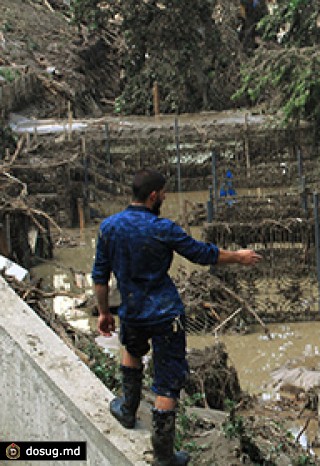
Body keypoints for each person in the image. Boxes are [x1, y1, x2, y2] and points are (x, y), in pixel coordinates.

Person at [92, 169, 261, 466]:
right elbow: (200, 253)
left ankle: (128, 409)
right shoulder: (163, 228)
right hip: (165, 314)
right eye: (164, 194)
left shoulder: (109, 228)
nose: (166, 199)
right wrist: (238, 256)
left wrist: (104, 312)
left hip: (130, 309)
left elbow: (100, 278)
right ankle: (163, 455)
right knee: (167, 382)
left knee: (131, 350)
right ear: (153, 195)